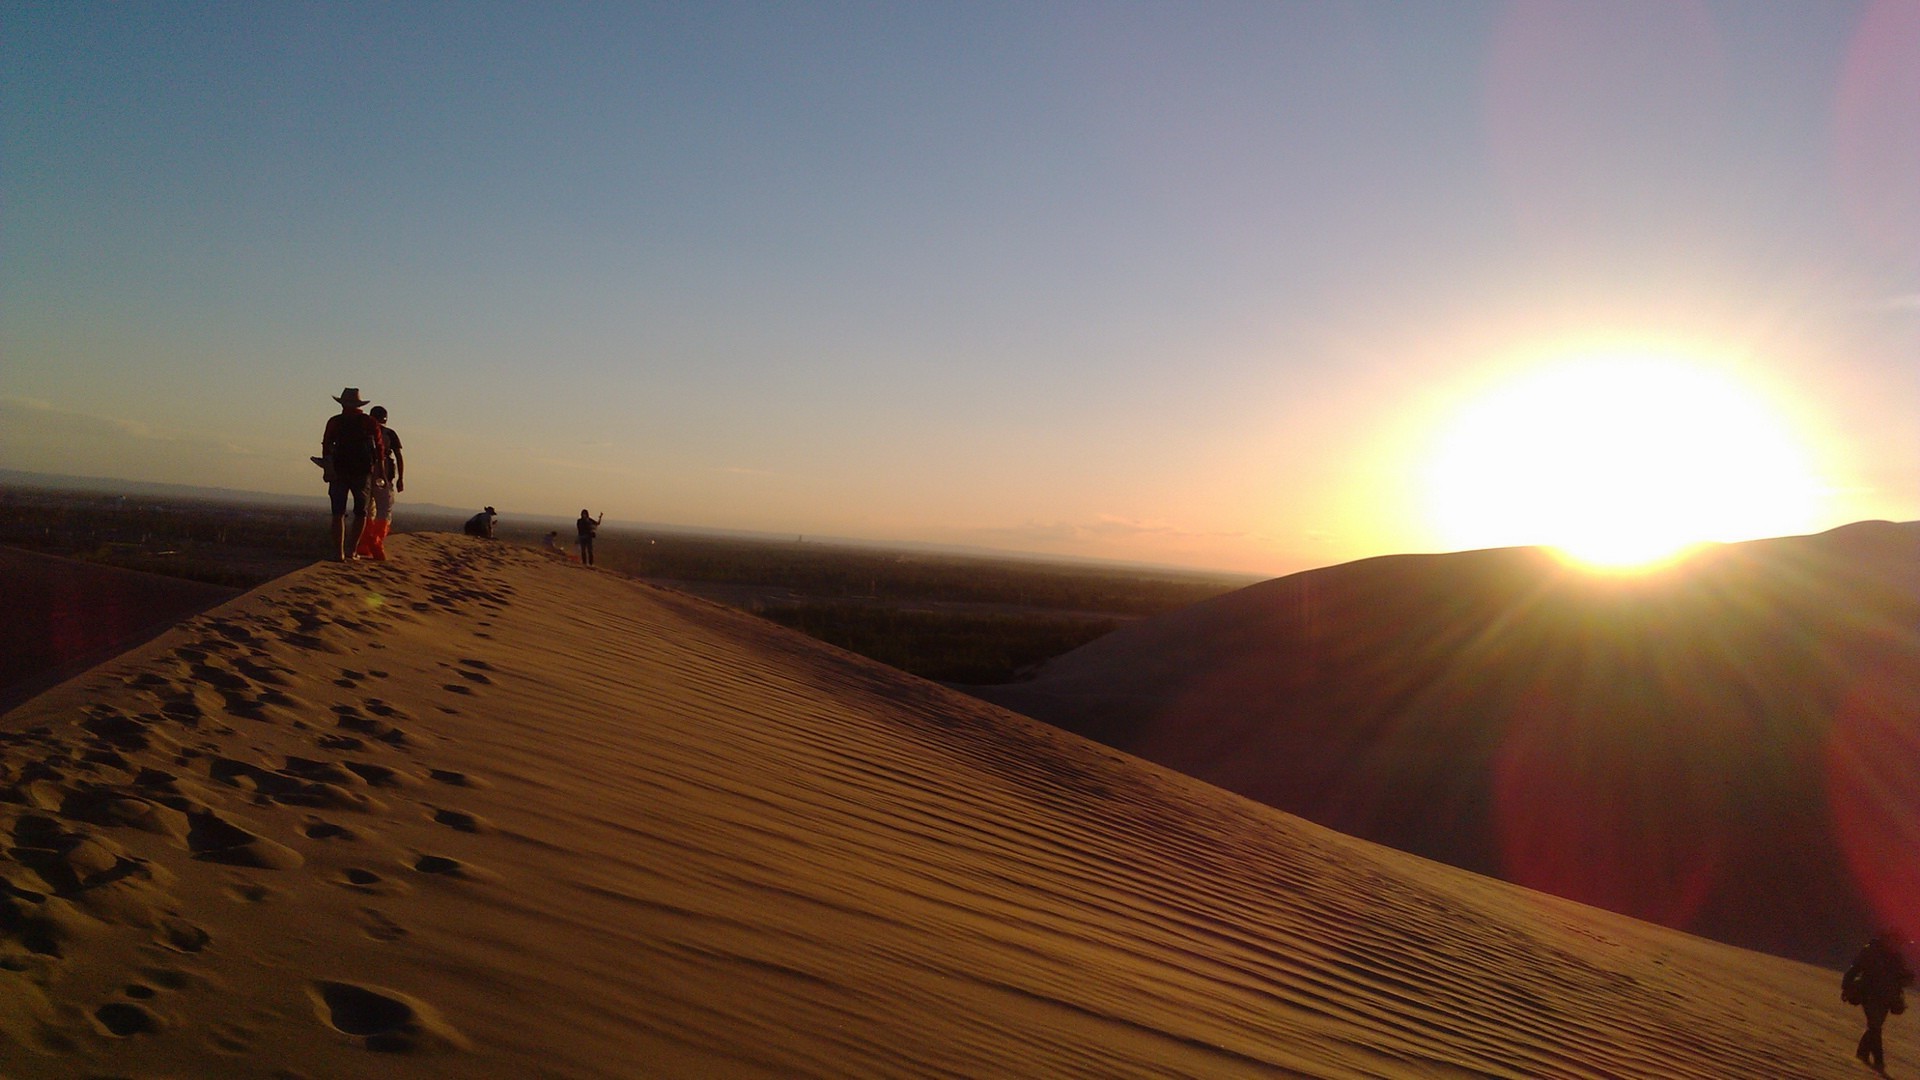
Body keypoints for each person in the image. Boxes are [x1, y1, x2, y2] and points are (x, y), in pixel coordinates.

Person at [319, 388, 385, 561]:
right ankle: (352, 550)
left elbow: (326, 446)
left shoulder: (335, 421)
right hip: (362, 472)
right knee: (361, 512)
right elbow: (379, 449)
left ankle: (338, 552)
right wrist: (382, 473)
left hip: (339, 470)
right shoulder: (369, 422)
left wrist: (328, 469)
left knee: (338, 513)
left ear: (342, 403)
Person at [1843, 928, 1914, 1072]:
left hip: (1887, 998)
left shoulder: (1896, 958)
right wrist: (1846, 986)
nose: (1897, 946)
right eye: (1896, 942)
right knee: (1875, 1027)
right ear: (1887, 939)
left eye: (1899, 944)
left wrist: (1907, 978)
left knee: (1874, 1027)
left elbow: (1901, 978)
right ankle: (1879, 1062)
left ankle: (1862, 1053)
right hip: (1869, 994)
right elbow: (1855, 969)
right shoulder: (1871, 952)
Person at [353, 405, 405, 561]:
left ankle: (364, 544)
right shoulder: (389, 434)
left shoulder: (363, 432)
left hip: (365, 473)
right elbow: (399, 456)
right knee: (384, 510)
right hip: (383, 475)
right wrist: (401, 478)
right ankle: (375, 543)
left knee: (368, 510)